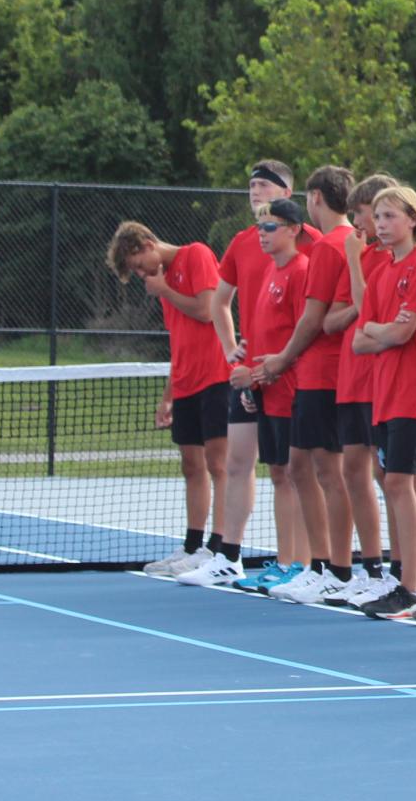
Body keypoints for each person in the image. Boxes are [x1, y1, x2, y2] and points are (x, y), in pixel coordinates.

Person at [178, 162, 319, 589]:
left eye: (265, 185)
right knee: (239, 462)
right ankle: (229, 555)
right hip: (248, 376)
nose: (255, 192)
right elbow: (220, 303)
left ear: (288, 192)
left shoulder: (309, 244)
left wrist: (283, 359)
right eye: (252, 185)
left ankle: (305, 563)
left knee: (292, 471)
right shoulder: (243, 243)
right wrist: (230, 349)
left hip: (290, 375)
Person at [106, 221, 231, 579]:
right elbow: (179, 342)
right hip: (187, 384)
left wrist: (164, 290)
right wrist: (168, 397)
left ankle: (220, 549)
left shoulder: (196, 255)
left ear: (147, 243)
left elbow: (208, 310)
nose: (141, 273)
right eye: (135, 271)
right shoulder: (160, 285)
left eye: (138, 264)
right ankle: (193, 546)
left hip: (217, 378)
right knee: (191, 466)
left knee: (218, 465)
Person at [353, 185, 416, 620]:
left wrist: (381, 330)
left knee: (399, 483)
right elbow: (359, 340)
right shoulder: (379, 275)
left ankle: (412, 585)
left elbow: (401, 334)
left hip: (414, 393)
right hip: (384, 394)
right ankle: (411, 581)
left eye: (390, 216)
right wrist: (380, 328)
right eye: (377, 217)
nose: (381, 224)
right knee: (395, 481)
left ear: (412, 219)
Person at [260, 166, 358, 605]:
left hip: (326, 375)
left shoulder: (331, 246)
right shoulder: (339, 244)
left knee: (327, 472)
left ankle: (336, 568)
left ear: (315, 198)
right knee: (301, 466)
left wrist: (281, 360)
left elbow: (313, 318)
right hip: (313, 375)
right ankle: (319, 564)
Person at [324, 172, 404, 606]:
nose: (359, 223)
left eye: (366, 214)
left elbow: (367, 303)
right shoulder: (364, 252)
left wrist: (354, 263)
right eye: (358, 215)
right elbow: (336, 316)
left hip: (379, 381)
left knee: (389, 476)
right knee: (356, 470)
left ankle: (399, 571)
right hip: (351, 378)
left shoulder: (385, 258)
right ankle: (372, 567)